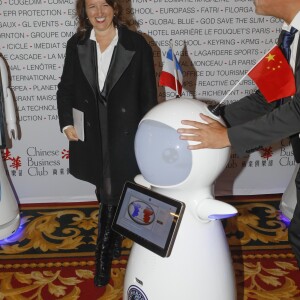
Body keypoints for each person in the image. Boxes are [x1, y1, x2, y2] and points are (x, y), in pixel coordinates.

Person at [177, 0, 300, 268]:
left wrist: (228, 137)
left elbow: (297, 112)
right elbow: (271, 95)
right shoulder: (290, 33)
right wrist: (217, 118)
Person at [56, 0, 157, 287]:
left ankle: (102, 255)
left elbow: (149, 96)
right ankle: (113, 240)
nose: (98, 13)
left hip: (125, 133)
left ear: (116, 7)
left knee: (114, 188)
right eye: (91, 7)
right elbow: (65, 88)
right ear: (83, 11)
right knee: (104, 186)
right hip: (91, 131)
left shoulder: (137, 44)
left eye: (104, 5)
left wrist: (148, 135)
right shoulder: (75, 44)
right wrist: (66, 122)